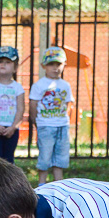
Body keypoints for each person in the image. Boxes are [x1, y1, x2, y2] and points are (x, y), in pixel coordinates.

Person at [29, 47, 74, 185]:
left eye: (58, 64)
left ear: (64, 65)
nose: (55, 68)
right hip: (46, 125)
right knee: (45, 155)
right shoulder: (39, 85)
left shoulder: (65, 85)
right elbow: (33, 104)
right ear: (43, 66)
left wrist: (65, 119)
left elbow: (69, 103)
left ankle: (59, 184)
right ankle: (42, 183)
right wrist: (36, 121)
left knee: (61, 156)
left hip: (62, 125)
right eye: (51, 64)